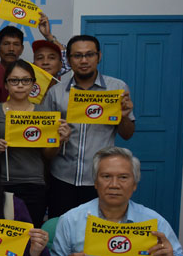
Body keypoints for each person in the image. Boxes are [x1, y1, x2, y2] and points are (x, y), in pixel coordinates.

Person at [51, 147, 183, 256]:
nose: (114, 185)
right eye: (106, 176)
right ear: (96, 183)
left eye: (123, 177)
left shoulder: (154, 221)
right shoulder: (71, 219)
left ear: (134, 184)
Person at [44, 35, 135, 217]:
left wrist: (124, 117)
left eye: (89, 55)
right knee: (60, 231)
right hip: (62, 178)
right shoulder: (56, 92)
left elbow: (127, 134)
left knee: (96, 236)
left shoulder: (117, 88)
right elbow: (46, 146)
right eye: (77, 56)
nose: (84, 61)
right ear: (69, 60)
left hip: (100, 180)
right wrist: (58, 139)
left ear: (99, 56)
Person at [0, 60, 71, 227]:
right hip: (1, 183)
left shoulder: (44, 114)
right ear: (6, 84)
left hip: (34, 184)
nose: (20, 85)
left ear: (33, 85)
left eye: (25, 80)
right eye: (14, 80)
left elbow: (48, 155)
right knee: (1, 235)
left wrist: (58, 141)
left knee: (29, 235)